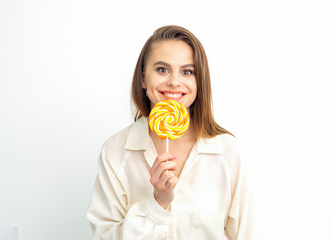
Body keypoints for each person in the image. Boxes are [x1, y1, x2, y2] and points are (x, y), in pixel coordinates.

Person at [87, 25, 253, 240]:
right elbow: (103, 236)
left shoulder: (228, 151)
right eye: (162, 69)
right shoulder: (116, 151)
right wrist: (157, 204)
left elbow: (247, 233)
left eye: (187, 71)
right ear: (143, 79)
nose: (174, 81)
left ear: (199, 81)